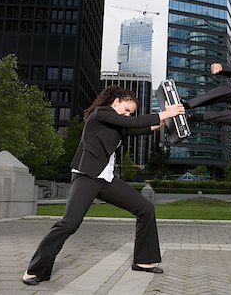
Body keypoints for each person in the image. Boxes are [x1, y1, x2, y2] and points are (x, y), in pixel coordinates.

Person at [22, 85, 185, 285]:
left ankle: (143, 262)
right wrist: (164, 113)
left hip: (106, 180)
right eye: (126, 110)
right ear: (115, 101)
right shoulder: (101, 113)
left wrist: (159, 122)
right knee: (69, 223)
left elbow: (136, 128)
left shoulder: (117, 124)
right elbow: (133, 123)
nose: (127, 115)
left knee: (145, 209)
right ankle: (34, 271)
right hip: (87, 177)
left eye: (130, 113)